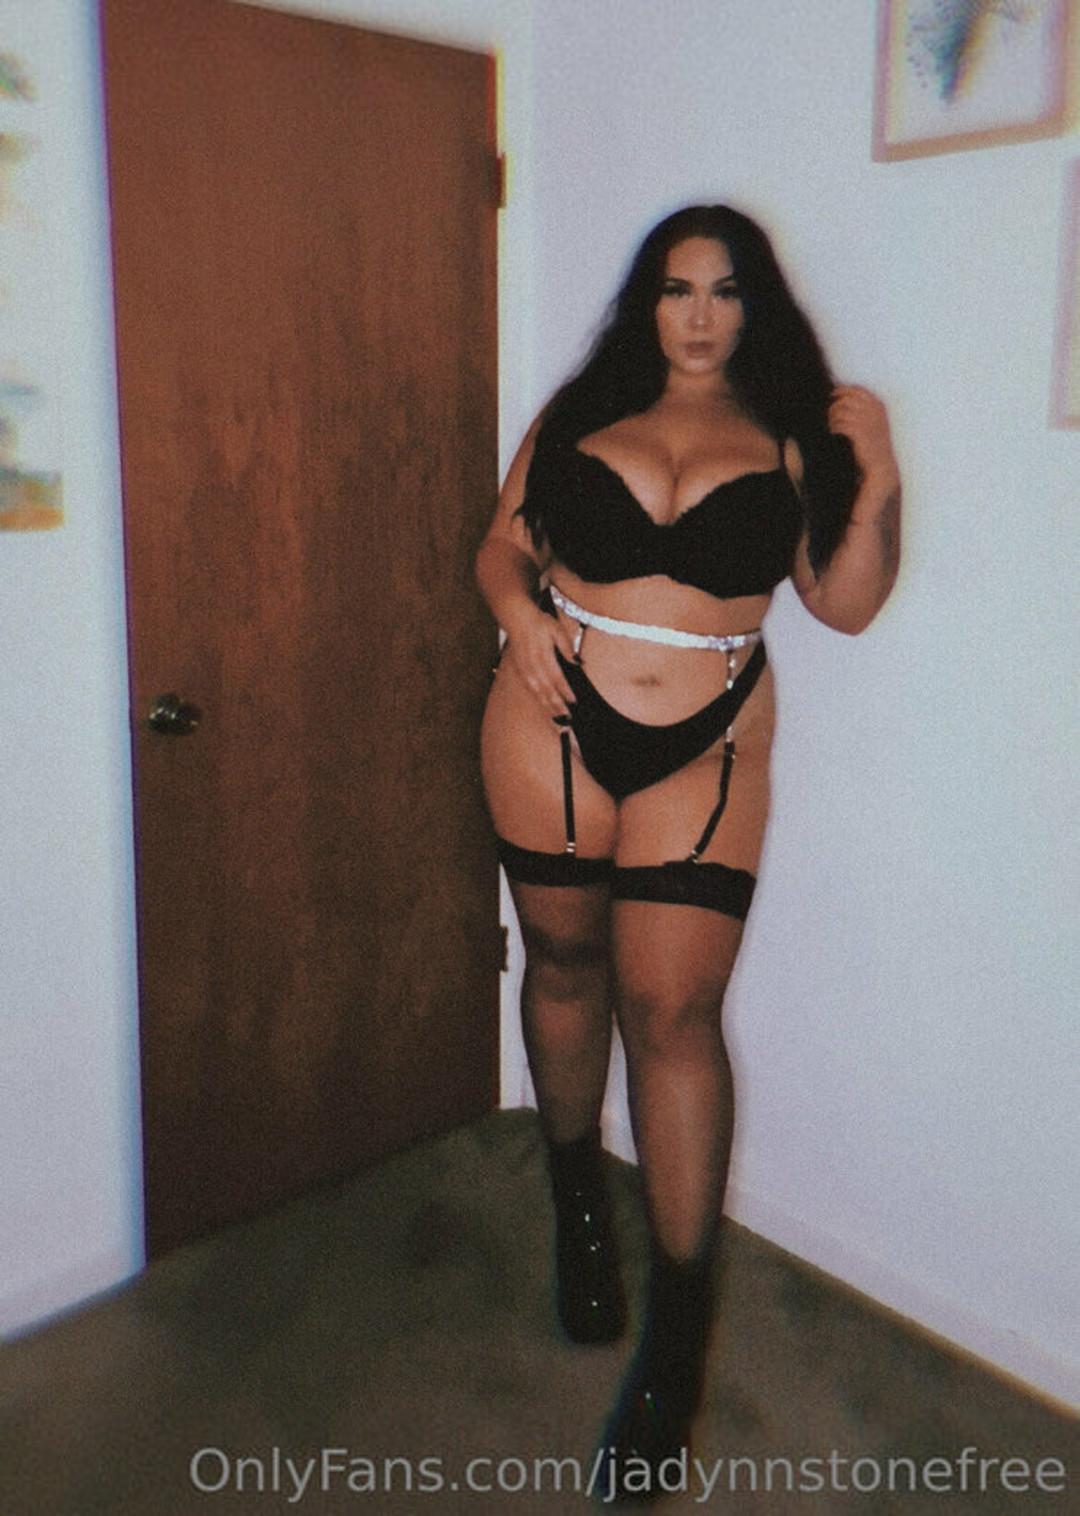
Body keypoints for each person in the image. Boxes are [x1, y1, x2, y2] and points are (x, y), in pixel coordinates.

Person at [475, 204, 900, 1503]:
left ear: (754, 306)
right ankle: (579, 1213)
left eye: (724, 290)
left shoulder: (793, 435)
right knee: (562, 965)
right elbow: (502, 543)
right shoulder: (580, 410)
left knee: (673, 1013)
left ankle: (676, 1342)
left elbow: (845, 603)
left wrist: (878, 475)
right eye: (676, 288)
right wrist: (518, 617)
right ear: (647, 302)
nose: (700, 314)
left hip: (708, 743)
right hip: (547, 719)